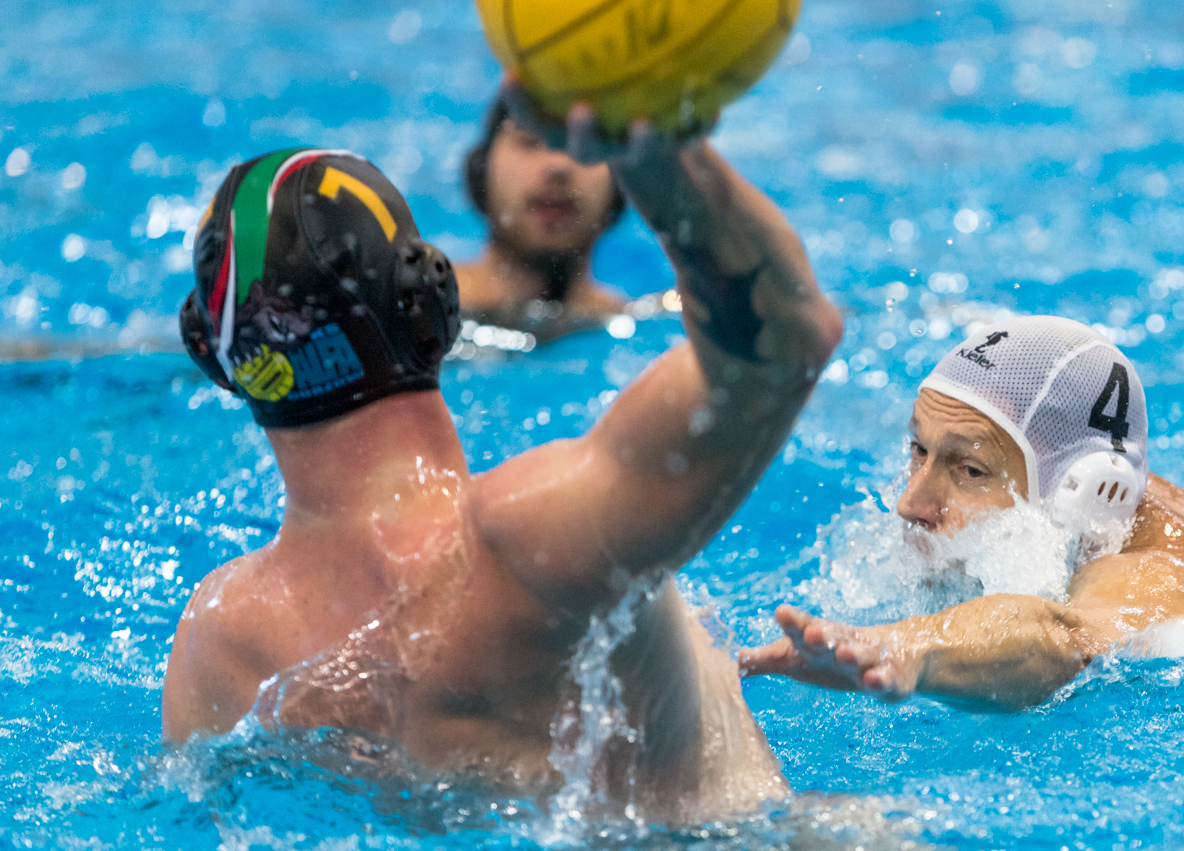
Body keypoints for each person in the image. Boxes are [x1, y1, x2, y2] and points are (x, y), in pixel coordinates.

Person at [162, 100, 843, 823]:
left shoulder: (223, 644)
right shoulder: (536, 541)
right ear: (433, 301)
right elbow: (787, 337)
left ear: (214, 358)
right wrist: (658, 153)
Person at [738, 315, 1184, 710]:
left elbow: (1063, 639)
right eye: (919, 450)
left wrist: (911, 647)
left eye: (968, 471)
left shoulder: (1159, 578)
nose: (912, 503)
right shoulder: (1078, 480)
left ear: (1088, 493)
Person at [453, 88, 630, 341]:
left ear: (619, 186)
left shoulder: (636, 325)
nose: (558, 166)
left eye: (584, 148)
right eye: (529, 142)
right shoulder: (408, 312)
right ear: (481, 171)